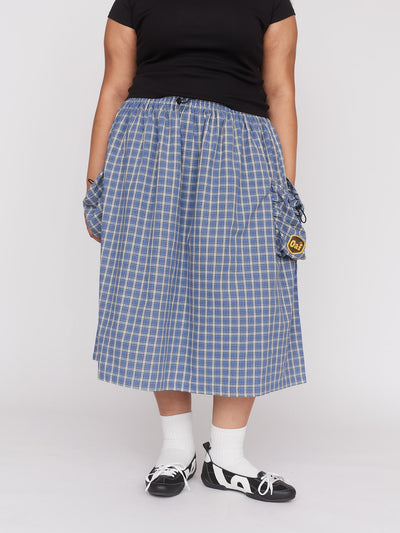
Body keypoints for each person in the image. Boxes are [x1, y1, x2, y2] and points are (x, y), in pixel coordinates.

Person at [82, 0, 308, 502]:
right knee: (155, 291)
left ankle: (227, 457)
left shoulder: (271, 3)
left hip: (240, 149)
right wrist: (95, 183)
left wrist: (285, 191)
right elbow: (115, 85)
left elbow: (280, 90)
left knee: (248, 298)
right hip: (148, 150)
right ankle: (177, 449)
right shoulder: (134, 0)